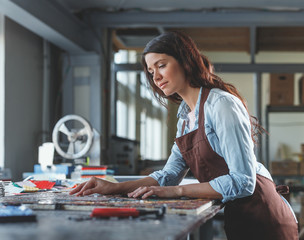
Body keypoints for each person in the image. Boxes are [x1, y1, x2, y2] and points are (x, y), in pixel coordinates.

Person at [70, 31, 298, 239]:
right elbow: (169, 174)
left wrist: (177, 191)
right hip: (239, 215)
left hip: (265, 214)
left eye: (161, 65)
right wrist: (113, 187)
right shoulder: (185, 118)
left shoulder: (221, 104)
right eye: (151, 71)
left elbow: (243, 182)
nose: (156, 77)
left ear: (185, 61)